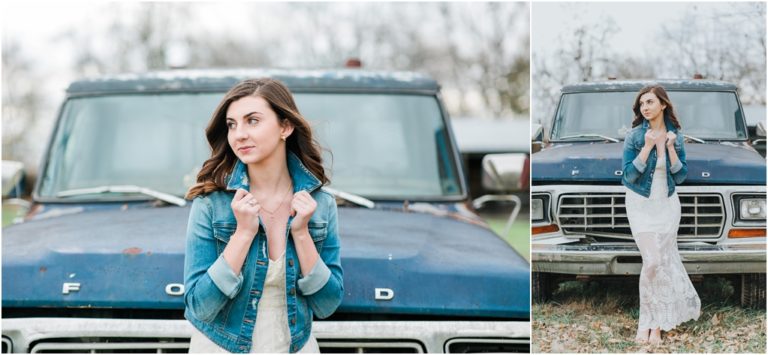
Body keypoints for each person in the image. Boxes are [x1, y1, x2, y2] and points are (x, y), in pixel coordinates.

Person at [183, 78, 343, 353]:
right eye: (232, 124)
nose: (239, 134)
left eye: (252, 121)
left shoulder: (320, 205)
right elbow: (200, 306)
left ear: (285, 126)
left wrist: (301, 234)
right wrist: (243, 234)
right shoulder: (211, 204)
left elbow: (327, 305)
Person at [621, 85, 701, 345]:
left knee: (662, 265)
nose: (645, 107)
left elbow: (680, 175)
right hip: (641, 205)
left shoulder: (675, 135)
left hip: (667, 204)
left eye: (650, 102)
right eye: (642, 103)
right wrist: (646, 148)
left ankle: (655, 326)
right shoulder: (634, 137)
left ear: (663, 105)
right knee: (652, 262)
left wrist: (670, 148)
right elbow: (628, 176)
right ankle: (645, 322)